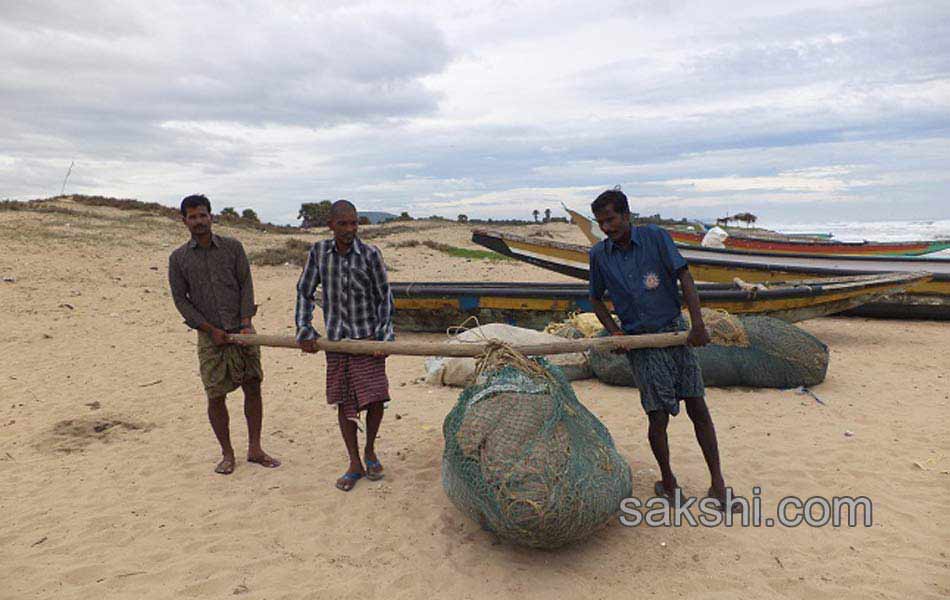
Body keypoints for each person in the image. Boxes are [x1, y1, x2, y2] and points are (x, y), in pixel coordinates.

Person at [587, 188, 738, 511]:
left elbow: (684, 276)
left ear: (627, 215)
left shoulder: (655, 238)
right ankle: (668, 483)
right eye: (601, 223)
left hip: (675, 334)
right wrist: (614, 333)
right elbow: (595, 298)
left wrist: (696, 324)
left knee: (698, 408)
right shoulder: (600, 255)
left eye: (611, 220)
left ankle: (718, 484)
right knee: (657, 417)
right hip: (641, 343)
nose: (607, 228)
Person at [168, 194, 280, 475]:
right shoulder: (178, 259)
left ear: (211, 217)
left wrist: (245, 323)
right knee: (215, 395)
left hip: (242, 331)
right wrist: (209, 329)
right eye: (192, 217)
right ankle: (227, 454)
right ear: (184, 221)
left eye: (203, 215)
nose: (199, 221)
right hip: (210, 337)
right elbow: (181, 301)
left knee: (253, 386)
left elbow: (246, 285)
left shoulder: (233, 248)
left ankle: (255, 449)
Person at [295, 200, 395, 492]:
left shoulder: (370, 255)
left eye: (354, 223)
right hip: (337, 341)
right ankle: (354, 461)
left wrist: (384, 337)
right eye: (344, 224)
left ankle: (371, 450)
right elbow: (304, 292)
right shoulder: (319, 253)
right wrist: (305, 328)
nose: (350, 229)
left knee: (376, 398)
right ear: (331, 225)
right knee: (344, 401)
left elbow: (384, 299)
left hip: (367, 339)